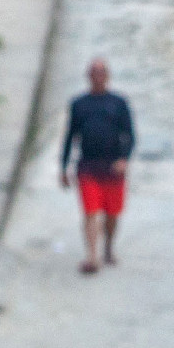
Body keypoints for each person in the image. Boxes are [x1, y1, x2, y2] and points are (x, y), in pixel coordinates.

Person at [58, 58, 134, 275]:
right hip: (88, 166)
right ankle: (92, 256)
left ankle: (108, 247)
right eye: (94, 72)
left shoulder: (119, 103)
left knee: (112, 214)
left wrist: (124, 159)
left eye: (102, 72)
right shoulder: (79, 104)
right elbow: (70, 136)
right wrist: (63, 168)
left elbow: (130, 135)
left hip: (112, 168)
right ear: (88, 76)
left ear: (107, 76)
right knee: (91, 212)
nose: (98, 76)